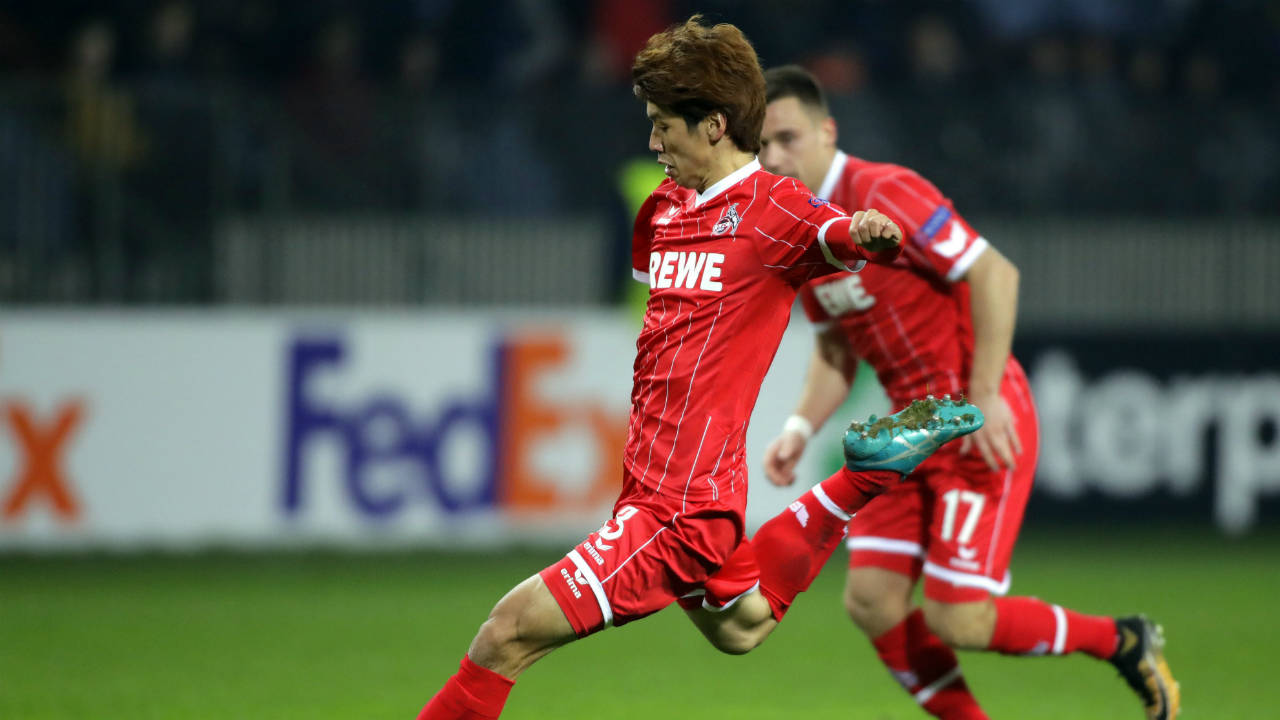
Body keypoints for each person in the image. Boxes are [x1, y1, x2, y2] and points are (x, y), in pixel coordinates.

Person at [417, 17, 985, 719]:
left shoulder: (775, 209)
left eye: (664, 126)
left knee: (505, 634)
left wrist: (867, 232)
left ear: (714, 126)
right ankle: (863, 476)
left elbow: (840, 233)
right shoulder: (661, 209)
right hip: (652, 486)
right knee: (742, 628)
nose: (654, 143)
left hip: (680, 508)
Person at [758, 64, 1179, 720]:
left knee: (960, 620)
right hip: (906, 432)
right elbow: (837, 349)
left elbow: (994, 273)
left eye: (787, 138)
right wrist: (797, 428)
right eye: (761, 145)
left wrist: (984, 395)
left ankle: (1121, 641)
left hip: (969, 415)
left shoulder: (884, 192)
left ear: (827, 132)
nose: (774, 157)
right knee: (870, 600)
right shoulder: (804, 234)